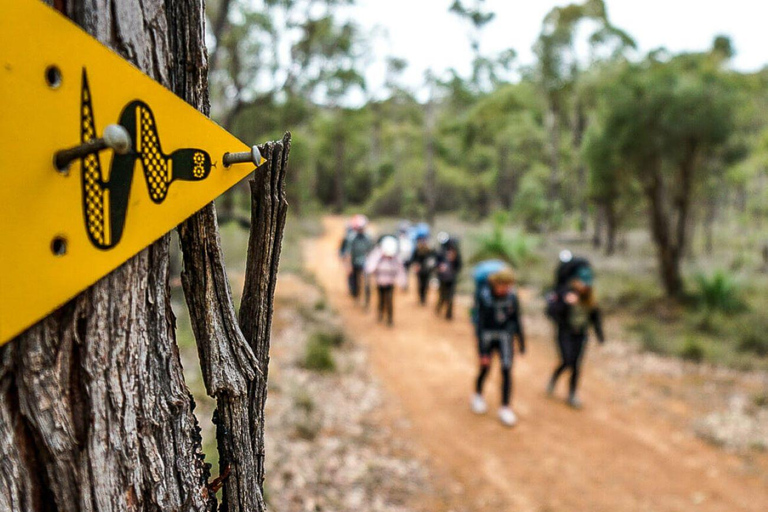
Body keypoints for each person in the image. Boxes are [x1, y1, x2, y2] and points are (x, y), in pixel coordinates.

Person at [545, 253, 605, 409]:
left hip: (581, 334)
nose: (584, 286)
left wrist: (600, 336)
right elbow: (550, 312)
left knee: (576, 365)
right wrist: (565, 304)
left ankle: (572, 394)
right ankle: (554, 378)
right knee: (566, 360)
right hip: (565, 332)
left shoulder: (590, 297)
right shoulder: (563, 293)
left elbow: (595, 317)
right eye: (581, 282)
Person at [471, 268, 525, 427]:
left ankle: (505, 407)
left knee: (507, 370)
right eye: (502, 285)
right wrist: (482, 351)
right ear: (495, 284)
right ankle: (478, 396)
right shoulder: (484, 297)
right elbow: (479, 323)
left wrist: (521, 342)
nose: (504, 289)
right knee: (485, 368)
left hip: (504, 339)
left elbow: (516, 320)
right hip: (487, 338)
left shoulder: (512, 298)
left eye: (507, 286)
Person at [365, 236, 407, 326]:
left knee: (389, 300)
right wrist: (378, 260)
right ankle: (380, 314)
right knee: (381, 299)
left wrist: (402, 283)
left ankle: (390, 319)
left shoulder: (396, 258)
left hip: (390, 283)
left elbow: (400, 271)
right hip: (379, 282)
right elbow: (370, 268)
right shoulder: (377, 255)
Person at [341, 214, 373, 300]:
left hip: (364, 262)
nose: (361, 230)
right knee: (353, 278)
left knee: (366, 279)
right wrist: (348, 265)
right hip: (354, 262)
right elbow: (348, 253)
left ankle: (365, 295)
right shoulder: (351, 238)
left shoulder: (368, 237)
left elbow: (371, 251)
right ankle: (354, 292)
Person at [435, 237, 462, 320]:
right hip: (442, 278)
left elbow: (459, 266)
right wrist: (440, 268)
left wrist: (454, 268)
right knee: (442, 296)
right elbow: (437, 263)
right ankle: (438, 308)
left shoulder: (457, 255)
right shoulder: (441, 253)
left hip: (451, 279)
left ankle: (449, 314)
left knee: (450, 297)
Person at [409, 225, 435, 305]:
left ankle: (424, 298)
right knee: (420, 284)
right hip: (420, 270)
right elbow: (413, 258)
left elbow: (433, 257)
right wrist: (415, 265)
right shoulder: (417, 248)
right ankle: (421, 298)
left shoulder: (430, 248)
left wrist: (432, 265)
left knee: (426, 284)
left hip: (427, 269)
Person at [397, 222, 414, 290]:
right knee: (401, 272)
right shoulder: (398, 238)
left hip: (407, 259)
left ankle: (405, 285)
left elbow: (411, 249)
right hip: (400, 259)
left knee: (406, 272)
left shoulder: (409, 238)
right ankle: (402, 285)